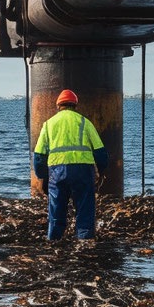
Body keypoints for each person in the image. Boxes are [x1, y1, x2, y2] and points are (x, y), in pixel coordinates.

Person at [33, 89, 108, 241]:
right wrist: (102, 170)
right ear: (75, 105)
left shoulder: (48, 124)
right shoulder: (84, 122)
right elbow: (100, 151)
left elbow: (39, 155)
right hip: (83, 171)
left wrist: (43, 177)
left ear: (58, 106)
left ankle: (54, 240)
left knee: (56, 208)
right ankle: (84, 242)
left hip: (57, 171)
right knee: (85, 208)